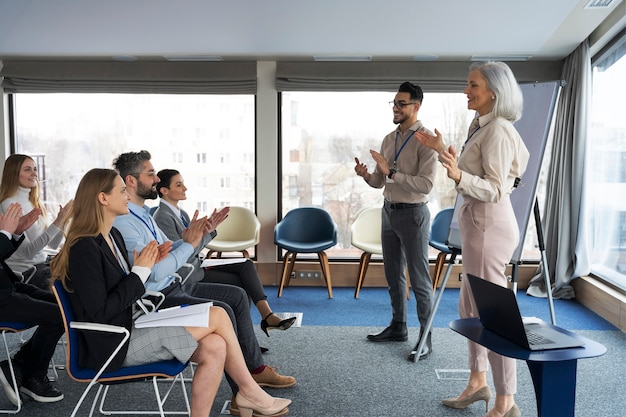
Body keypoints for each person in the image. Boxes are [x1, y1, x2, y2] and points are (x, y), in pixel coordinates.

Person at [49, 168, 290, 417]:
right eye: (122, 191)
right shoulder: (84, 248)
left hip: (133, 323)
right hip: (114, 343)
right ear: (103, 198)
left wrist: (149, 264)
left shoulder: (112, 237)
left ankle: (234, 398)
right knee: (218, 315)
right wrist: (140, 273)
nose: (127, 197)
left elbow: (122, 288)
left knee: (216, 345)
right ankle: (249, 390)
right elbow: (100, 312)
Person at [110, 151, 296, 396]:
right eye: (151, 173)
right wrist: (188, 243)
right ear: (131, 181)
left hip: (175, 284)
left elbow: (174, 248)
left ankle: (255, 371)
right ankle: (244, 390)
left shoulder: (144, 215)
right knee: (225, 310)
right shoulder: (125, 222)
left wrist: (198, 236)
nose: (156, 179)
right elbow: (154, 273)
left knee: (238, 296)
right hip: (159, 297)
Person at [416, 61, 529, 417]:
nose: (466, 90)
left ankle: (505, 401)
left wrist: (458, 173)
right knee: (470, 309)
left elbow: (496, 188)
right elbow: (472, 171)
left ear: (494, 91)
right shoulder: (480, 125)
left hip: (489, 227)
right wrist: (442, 150)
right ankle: (477, 382)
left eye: (473, 85)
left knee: (493, 316)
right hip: (477, 228)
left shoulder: (498, 130)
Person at [153, 168, 297, 336]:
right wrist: (206, 234)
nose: (185, 188)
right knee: (241, 283)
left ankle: (262, 321)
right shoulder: (162, 217)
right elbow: (183, 254)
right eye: (179, 184)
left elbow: (191, 246)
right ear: (164, 191)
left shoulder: (180, 213)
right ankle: (251, 335)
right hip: (188, 274)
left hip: (196, 265)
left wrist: (206, 232)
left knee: (246, 266)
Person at [354, 81, 438, 360]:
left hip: (414, 215)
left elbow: (425, 185)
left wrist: (391, 173)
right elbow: (380, 181)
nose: (396, 108)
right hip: (389, 211)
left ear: (417, 106)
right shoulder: (389, 139)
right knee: (392, 274)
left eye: (402, 103)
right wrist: (367, 175)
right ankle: (398, 326)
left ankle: (425, 337)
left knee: (419, 279)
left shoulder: (426, 140)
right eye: (394, 103)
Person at [0, 202, 64, 405]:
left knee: (63, 307)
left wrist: (15, 233)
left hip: (9, 285)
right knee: (55, 316)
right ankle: (33, 377)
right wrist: (4, 234)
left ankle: (17, 365)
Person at [0, 154, 73, 289]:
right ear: (13, 174)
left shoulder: (33, 202)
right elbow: (28, 253)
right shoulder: (9, 205)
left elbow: (53, 244)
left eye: (35, 169)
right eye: (27, 169)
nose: (34, 173)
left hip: (43, 263)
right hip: (28, 271)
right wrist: (57, 222)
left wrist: (64, 220)